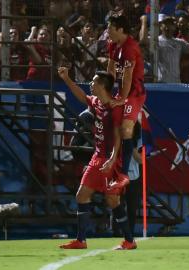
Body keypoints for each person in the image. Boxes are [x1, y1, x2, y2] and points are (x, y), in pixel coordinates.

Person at [57, 67, 136, 250]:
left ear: (102, 85)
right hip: (97, 156)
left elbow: (118, 137)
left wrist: (112, 159)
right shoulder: (96, 102)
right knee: (82, 195)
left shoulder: (115, 107)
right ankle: (81, 240)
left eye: (93, 82)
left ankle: (129, 240)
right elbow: (81, 97)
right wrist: (67, 79)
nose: (90, 84)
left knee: (112, 201)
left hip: (110, 159)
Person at [106, 15, 145, 189]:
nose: (108, 31)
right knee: (113, 126)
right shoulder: (113, 45)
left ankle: (124, 172)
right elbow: (110, 69)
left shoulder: (130, 47)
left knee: (125, 129)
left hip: (134, 92)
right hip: (121, 91)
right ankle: (115, 164)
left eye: (110, 28)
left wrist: (122, 98)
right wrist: (107, 89)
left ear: (120, 29)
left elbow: (128, 77)